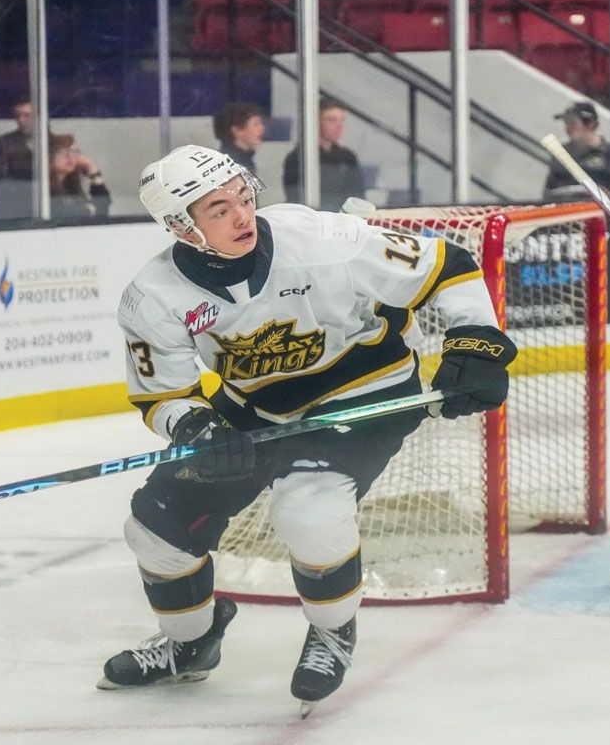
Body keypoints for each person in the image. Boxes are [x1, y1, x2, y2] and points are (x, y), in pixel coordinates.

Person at [101, 145, 516, 715]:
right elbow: (162, 395)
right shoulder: (153, 297)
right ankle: (191, 643)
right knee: (155, 529)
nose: (243, 216)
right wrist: (195, 425)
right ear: (181, 226)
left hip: (364, 390)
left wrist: (476, 344)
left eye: (244, 198)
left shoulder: (324, 240)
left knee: (308, 510)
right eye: (219, 210)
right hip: (254, 406)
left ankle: (331, 630)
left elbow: (445, 265)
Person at [543, 102, 610, 199]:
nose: (567, 128)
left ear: (590, 124)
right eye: (566, 123)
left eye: (573, 123)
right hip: (569, 211)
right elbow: (549, 191)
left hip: (603, 213)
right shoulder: (561, 153)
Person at [283, 98, 366, 213]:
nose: (339, 125)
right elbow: (295, 198)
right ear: (316, 122)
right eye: (331, 120)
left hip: (343, 221)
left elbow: (358, 196)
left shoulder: (348, 157)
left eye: (341, 120)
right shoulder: (298, 158)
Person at [48, 133, 111, 219]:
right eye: (65, 151)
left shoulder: (72, 186)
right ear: (51, 155)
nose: (70, 157)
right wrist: (89, 210)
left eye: (75, 152)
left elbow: (102, 207)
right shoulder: (45, 189)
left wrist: (92, 169)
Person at [212, 101, 265, 176]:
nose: (262, 128)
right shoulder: (230, 165)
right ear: (236, 130)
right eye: (256, 124)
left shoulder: (245, 159)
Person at [0, 99, 34, 181]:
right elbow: (0, 175)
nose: (21, 120)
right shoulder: (4, 142)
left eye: (27, 115)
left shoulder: (51, 141)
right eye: (18, 116)